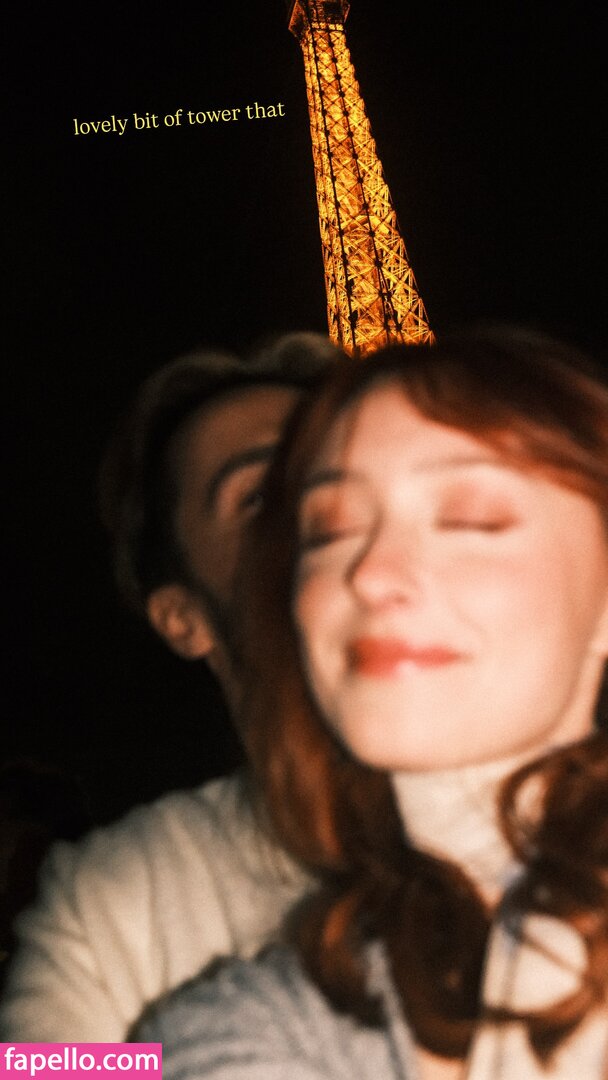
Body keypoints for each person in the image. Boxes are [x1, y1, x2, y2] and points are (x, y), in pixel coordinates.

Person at [142, 328, 608, 1078]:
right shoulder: (128, 876)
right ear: (177, 614)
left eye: (471, 518)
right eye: (328, 528)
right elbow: (32, 1063)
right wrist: (119, 1060)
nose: (371, 571)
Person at [0, 332, 340, 1041]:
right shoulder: (113, 899)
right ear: (184, 619)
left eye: (339, 475)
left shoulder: (562, 820)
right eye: (258, 496)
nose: (323, 511)